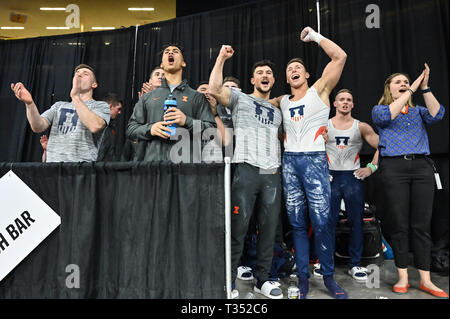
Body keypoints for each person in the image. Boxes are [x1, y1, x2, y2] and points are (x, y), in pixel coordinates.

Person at [270, 26, 348, 299]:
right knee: (298, 225)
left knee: (323, 223)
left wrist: (314, 36)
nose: (292, 70)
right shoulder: (280, 101)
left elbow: (340, 57)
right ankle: (303, 278)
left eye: (297, 67)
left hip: (314, 161)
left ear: (306, 75)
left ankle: (328, 278)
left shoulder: (320, 90)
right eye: (289, 68)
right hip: (290, 163)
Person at [209, 45, 283, 299]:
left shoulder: (278, 109)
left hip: (272, 172)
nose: (264, 75)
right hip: (246, 168)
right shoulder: (240, 98)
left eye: (269, 73)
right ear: (253, 80)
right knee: (237, 229)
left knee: (269, 229)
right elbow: (214, 89)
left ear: (273, 80)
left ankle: (264, 279)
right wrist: (221, 58)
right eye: (260, 72)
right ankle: (227, 281)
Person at [371, 64, 448, 298]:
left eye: (406, 81)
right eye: (399, 82)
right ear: (389, 88)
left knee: (421, 224)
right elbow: (386, 117)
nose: (404, 84)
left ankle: (426, 279)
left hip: (422, 168)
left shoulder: (418, 112)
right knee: (400, 224)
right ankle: (403, 277)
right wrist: (411, 88)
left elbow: (438, 115)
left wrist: (424, 88)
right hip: (394, 168)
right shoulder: (380, 109)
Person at [321, 89, 380, 282]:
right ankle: (325, 264)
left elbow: (385, 146)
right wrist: (321, 172)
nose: (345, 102)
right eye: (341, 99)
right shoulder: (324, 126)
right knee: (327, 223)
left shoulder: (361, 126)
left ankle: (355, 265)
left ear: (353, 105)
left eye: (349, 100)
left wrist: (370, 168)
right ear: (335, 104)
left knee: (356, 223)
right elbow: (309, 149)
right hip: (331, 177)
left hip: (352, 178)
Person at [127, 43, 216, 162]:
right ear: (162, 64)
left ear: (183, 63)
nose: (170, 52)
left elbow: (211, 132)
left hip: (186, 168)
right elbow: (131, 129)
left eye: (175, 51)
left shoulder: (197, 97)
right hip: (153, 166)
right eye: (166, 51)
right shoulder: (147, 97)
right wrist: (151, 129)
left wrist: (187, 121)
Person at [11, 64, 110, 162]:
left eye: (85, 74)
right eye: (77, 73)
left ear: (94, 84)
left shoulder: (100, 106)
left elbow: (95, 126)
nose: (79, 75)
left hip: (81, 170)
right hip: (53, 169)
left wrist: (75, 97)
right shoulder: (59, 106)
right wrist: (30, 104)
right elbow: (38, 126)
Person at [97, 93, 123, 161]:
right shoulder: (95, 124)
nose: (119, 112)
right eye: (118, 109)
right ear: (110, 106)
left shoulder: (111, 126)